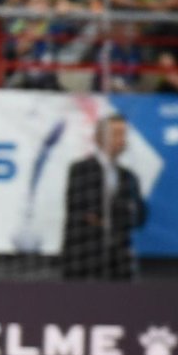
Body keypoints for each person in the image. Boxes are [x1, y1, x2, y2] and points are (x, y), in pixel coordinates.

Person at [62, 114, 147, 281]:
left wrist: (116, 220)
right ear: (100, 137)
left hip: (119, 263)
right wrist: (111, 220)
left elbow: (139, 216)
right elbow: (82, 210)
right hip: (84, 258)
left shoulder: (129, 177)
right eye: (116, 133)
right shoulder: (81, 170)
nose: (121, 139)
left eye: (123, 134)